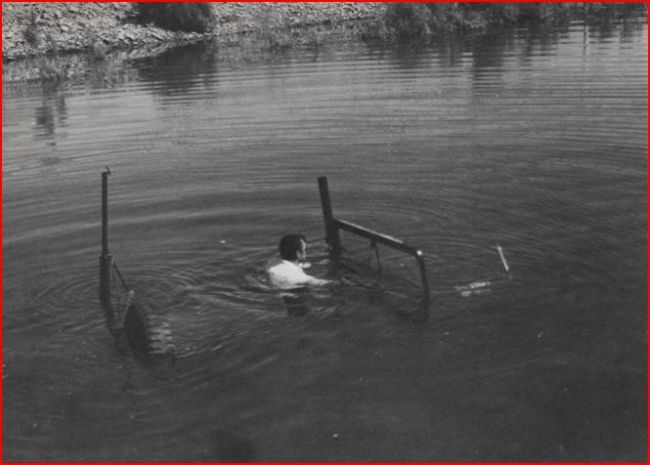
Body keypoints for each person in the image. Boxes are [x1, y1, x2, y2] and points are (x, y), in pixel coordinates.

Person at [266, 234, 331, 289]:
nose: (306, 252)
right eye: (305, 249)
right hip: (291, 296)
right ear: (298, 254)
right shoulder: (297, 276)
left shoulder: (271, 263)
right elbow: (320, 283)